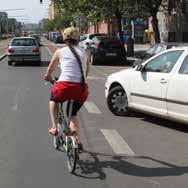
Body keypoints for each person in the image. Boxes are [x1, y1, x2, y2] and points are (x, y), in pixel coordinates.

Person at [44, 27, 90, 149]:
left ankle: (54, 127)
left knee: (53, 100)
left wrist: (48, 77)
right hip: (81, 89)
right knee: (73, 114)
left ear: (65, 39)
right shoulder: (85, 52)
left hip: (64, 86)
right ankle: (77, 140)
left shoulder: (60, 52)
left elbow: (50, 69)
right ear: (78, 39)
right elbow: (86, 72)